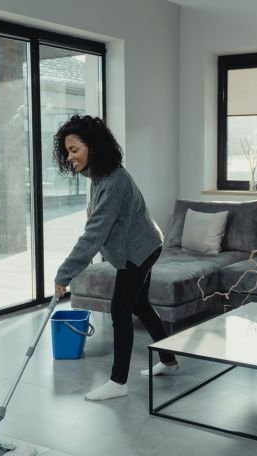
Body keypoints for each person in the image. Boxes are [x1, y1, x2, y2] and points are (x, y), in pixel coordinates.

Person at [52, 115, 179, 401]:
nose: (70, 157)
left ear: (93, 146)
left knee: (120, 311)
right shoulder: (99, 176)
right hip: (142, 245)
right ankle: (170, 361)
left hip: (140, 250)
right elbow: (99, 223)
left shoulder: (115, 180)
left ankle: (118, 382)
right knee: (141, 305)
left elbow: (93, 235)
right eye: (67, 152)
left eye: (74, 150)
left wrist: (64, 274)